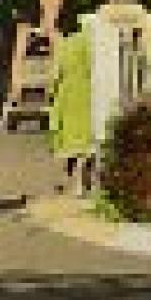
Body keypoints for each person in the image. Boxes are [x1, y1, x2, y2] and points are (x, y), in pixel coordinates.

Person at [47, 22, 95, 195]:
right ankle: (83, 182)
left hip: (67, 98)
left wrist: (51, 92)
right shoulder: (91, 44)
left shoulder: (64, 46)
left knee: (71, 145)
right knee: (87, 143)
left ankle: (73, 182)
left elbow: (55, 74)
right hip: (89, 95)